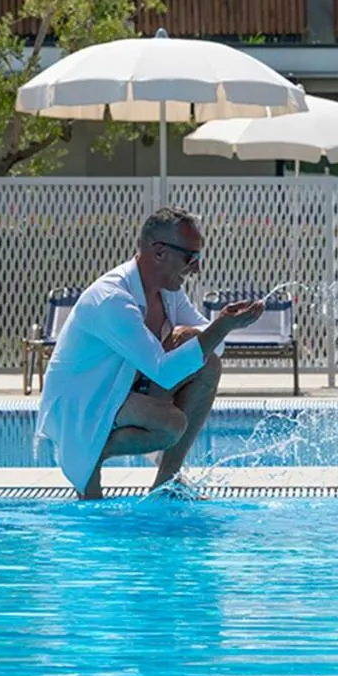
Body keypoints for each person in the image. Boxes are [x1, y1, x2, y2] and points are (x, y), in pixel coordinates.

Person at [36, 207, 264, 500]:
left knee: (207, 363)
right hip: (83, 400)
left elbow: (211, 347)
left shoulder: (167, 291)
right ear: (159, 252)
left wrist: (222, 327)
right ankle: (92, 448)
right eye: (190, 258)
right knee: (170, 426)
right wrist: (220, 327)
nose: (195, 268)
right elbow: (164, 371)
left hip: (121, 388)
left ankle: (166, 485)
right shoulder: (112, 299)